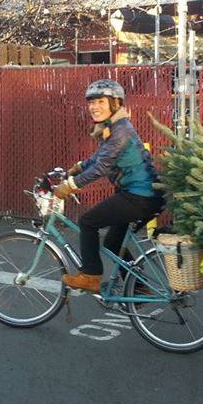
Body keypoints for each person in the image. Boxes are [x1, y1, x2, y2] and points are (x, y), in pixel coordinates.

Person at [53, 79, 164, 293]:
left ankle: (90, 276)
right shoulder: (114, 127)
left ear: (115, 103)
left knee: (87, 222)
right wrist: (78, 167)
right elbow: (100, 157)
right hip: (142, 196)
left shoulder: (120, 131)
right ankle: (139, 286)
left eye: (101, 102)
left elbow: (102, 167)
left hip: (140, 197)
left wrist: (70, 185)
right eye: (91, 102)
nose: (94, 107)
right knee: (113, 243)